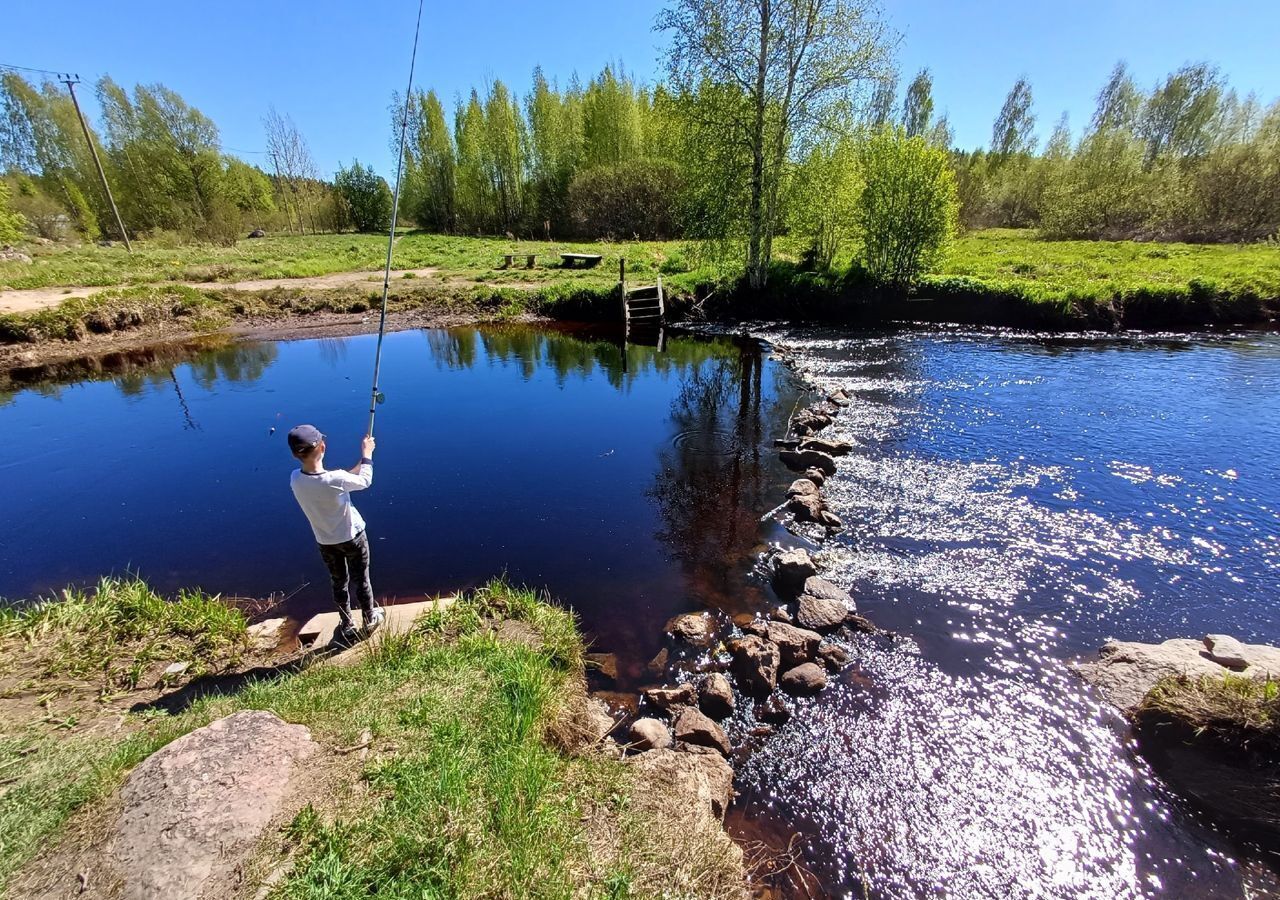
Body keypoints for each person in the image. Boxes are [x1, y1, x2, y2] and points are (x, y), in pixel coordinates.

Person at [287, 424, 383, 645]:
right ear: (323, 446)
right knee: (362, 579)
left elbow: (336, 482)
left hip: (326, 542)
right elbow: (364, 482)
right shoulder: (336, 479)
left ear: (294, 454)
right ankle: (370, 618)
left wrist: (359, 463)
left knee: (338, 582)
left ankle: (347, 624)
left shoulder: (296, 479)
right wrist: (367, 455)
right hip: (353, 537)